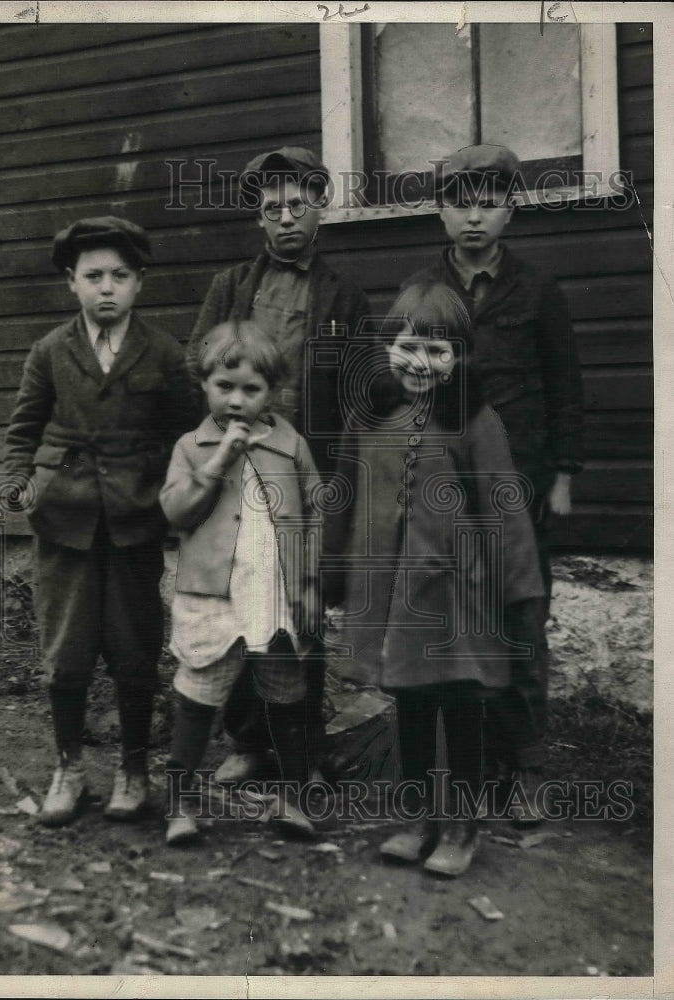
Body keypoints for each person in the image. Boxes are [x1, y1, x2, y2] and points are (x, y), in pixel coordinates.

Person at [327, 281, 547, 876]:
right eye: (408, 346)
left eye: (438, 350)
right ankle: (421, 816)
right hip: (395, 597)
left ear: (459, 358)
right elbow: (345, 496)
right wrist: (330, 571)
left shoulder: (476, 420)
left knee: (462, 706)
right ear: (386, 347)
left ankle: (463, 824)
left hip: (458, 594)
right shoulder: (370, 416)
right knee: (413, 706)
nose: (420, 363)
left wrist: (520, 589)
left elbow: (504, 506)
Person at [402, 143, 585, 817]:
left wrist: (561, 474)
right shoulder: (423, 288)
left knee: (519, 623)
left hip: (520, 482)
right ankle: (466, 762)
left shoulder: (537, 291)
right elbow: (402, 378)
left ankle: (527, 766)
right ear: (441, 211)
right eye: (458, 203)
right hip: (446, 485)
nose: (472, 217)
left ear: (509, 209)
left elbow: (565, 389)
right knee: (454, 623)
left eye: (488, 202)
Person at [186, 146, 372, 784]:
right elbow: (199, 361)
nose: (286, 218)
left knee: (300, 606)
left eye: (298, 205)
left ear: (320, 207)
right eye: (273, 209)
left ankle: (304, 746)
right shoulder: (231, 287)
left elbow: (358, 392)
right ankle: (248, 741)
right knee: (240, 600)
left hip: (304, 471)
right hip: (238, 466)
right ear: (259, 219)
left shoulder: (343, 296)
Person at [4, 216, 197, 826]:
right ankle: (69, 768)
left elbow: (188, 431)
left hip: (136, 524)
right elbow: (23, 429)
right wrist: (20, 483)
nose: (106, 288)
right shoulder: (50, 351)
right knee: (66, 652)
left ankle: (134, 770)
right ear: (72, 283)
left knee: (135, 650)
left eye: (119, 276)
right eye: (93, 277)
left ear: (139, 282)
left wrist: (171, 492)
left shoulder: (164, 352)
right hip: (65, 522)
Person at [160, 320, 322, 845]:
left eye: (251, 390)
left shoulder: (289, 443)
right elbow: (176, 512)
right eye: (223, 387)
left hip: (274, 592)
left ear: (272, 392)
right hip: (214, 593)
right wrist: (219, 460)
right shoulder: (192, 445)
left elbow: (316, 509)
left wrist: (311, 579)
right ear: (205, 385)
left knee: (285, 692)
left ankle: (293, 796)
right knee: (200, 689)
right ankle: (180, 801)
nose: (236, 400)